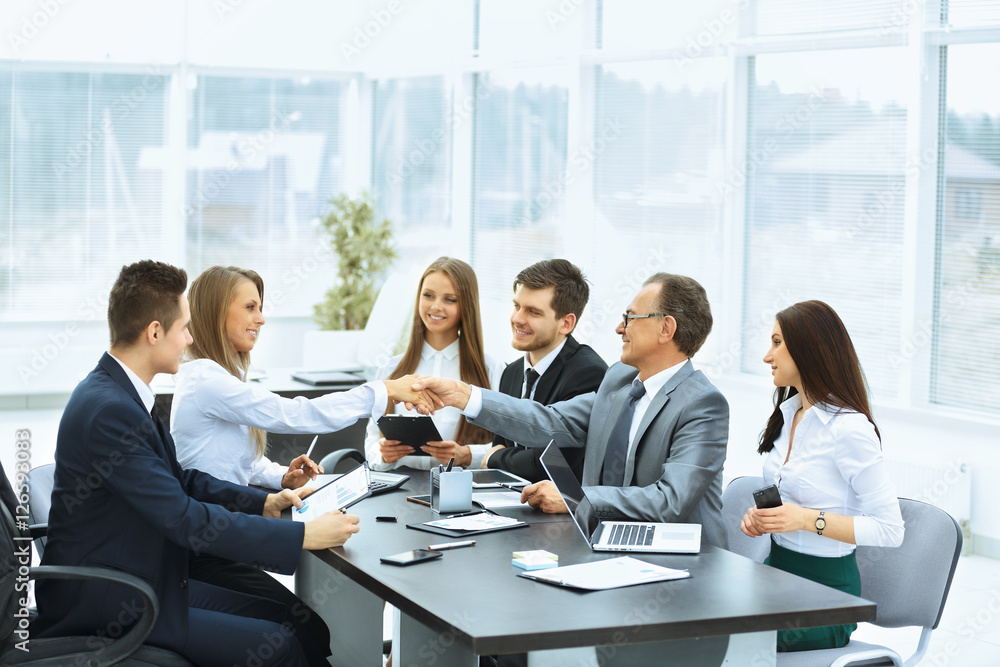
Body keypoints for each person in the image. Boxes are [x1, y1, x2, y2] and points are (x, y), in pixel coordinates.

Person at [34, 260, 434, 667]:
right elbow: (184, 518)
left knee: (295, 624)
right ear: (155, 332)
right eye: (183, 327)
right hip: (116, 598)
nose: (189, 337)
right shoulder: (111, 410)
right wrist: (301, 537)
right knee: (278, 646)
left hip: (147, 577)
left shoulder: (123, 394)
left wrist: (262, 502)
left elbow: (182, 480)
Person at [170, 265, 436, 656]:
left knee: (305, 625)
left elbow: (238, 464)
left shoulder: (219, 377)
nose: (261, 318)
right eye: (250, 307)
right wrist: (382, 391)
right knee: (302, 626)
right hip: (208, 547)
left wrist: (282, 478)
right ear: (214, 312)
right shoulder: (206, 380)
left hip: (225, 535)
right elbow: (296, 414)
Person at [413, 272, 731, 548]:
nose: (620, 328)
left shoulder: (703, 405)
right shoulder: (620, 380)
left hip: (683, 562)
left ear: (666, 329)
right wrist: (465, 395)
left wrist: (574, 497)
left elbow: (668, 501)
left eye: (631, 317)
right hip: (601, 543)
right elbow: (551, 421)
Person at [740, 300, 904, 652]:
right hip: (774, 574)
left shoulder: (849, 430)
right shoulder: (787, 415)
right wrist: (764, 518)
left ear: (808, 350)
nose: (768, 356)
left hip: (826, 597)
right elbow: (789, 499)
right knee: (696, 622)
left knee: (726, 640)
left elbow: (891, 530)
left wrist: (803, 519)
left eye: (777, 343)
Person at [365, 256, 504, 471]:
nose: (436, 306)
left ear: (466, 304)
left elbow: (505, 447)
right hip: (399, 490)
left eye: (450, 299)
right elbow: (371, 440)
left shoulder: (490, 370)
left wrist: (467, 455)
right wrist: (382, 454)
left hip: (461, 492)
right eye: (428, 295)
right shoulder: (391, 368)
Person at [481, 259, 607, 482]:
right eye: (516, 306)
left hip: (558, 513)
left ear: (566, 323)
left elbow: (550, 464)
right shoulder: (511, 372)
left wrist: (495, 459)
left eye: (533, 312)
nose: (517, 319)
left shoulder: (589, 374)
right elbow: (499, 445)